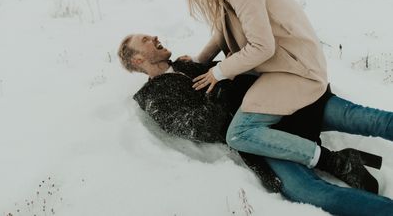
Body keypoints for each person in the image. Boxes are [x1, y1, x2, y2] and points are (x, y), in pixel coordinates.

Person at [173, 0, 391, 192]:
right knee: (357, 118)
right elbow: (224, 29)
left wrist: (219, 72)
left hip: (295, 69)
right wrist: (201, 60)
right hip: (282, 65)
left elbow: (262, 46)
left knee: (239, 133)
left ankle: (333, 161)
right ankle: (335, 161)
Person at [117, 33, 393, 216]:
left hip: (288, 102)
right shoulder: (155, 99)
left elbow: (234, 66)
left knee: (369, 119)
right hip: (263, 137)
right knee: (310, 192)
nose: (154, 37)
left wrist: (214, 70)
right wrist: (220, 88)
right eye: (145, 40)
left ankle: (341, 160)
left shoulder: (189, 65)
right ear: (138, 59)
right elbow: (202, 128)